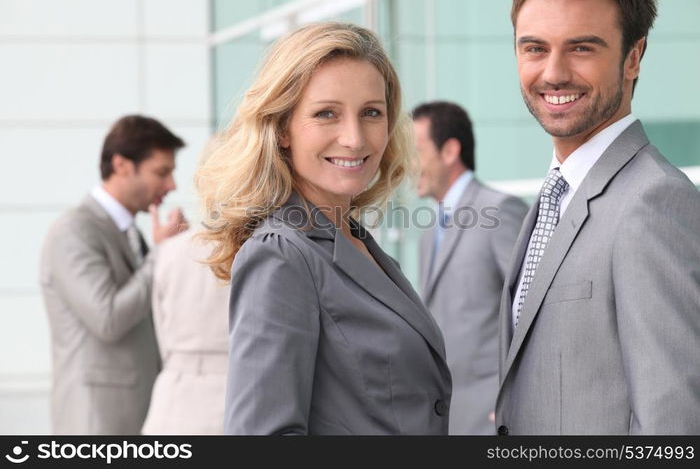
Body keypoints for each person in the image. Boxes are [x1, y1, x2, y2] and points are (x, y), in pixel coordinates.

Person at [196, 22, 452, 435]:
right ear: (282, 129)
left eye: (371, 113)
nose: (354, 138)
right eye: (326, 114)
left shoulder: (355, 240)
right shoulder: (280, 254)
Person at [496, 0, 700, 435]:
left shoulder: (655, 203)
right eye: (535, 48)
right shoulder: (552, 198)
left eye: (581, 47)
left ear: (634, 56)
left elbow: (675, 428)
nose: (553, 73)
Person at [40, 115, 187, 434]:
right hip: (96, 422)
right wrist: (162, 253)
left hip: (137, 416)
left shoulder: (129, 232)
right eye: (162, 172)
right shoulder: (74, 231)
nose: (172, 185)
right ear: (122, 165)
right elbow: (107, 318)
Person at [413, 101, 527, 435]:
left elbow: (535, 311)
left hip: (494, 418)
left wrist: (517, 399)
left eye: (416, 152)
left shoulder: (499, 211)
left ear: (449, 151)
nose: (408, 166)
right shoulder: (426, 235)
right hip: (449, 420)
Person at [141, 228, 229, 434]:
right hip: (229, 392)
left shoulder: (170, 249)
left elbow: (159, 321)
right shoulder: (255, 247)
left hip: (172, 395)